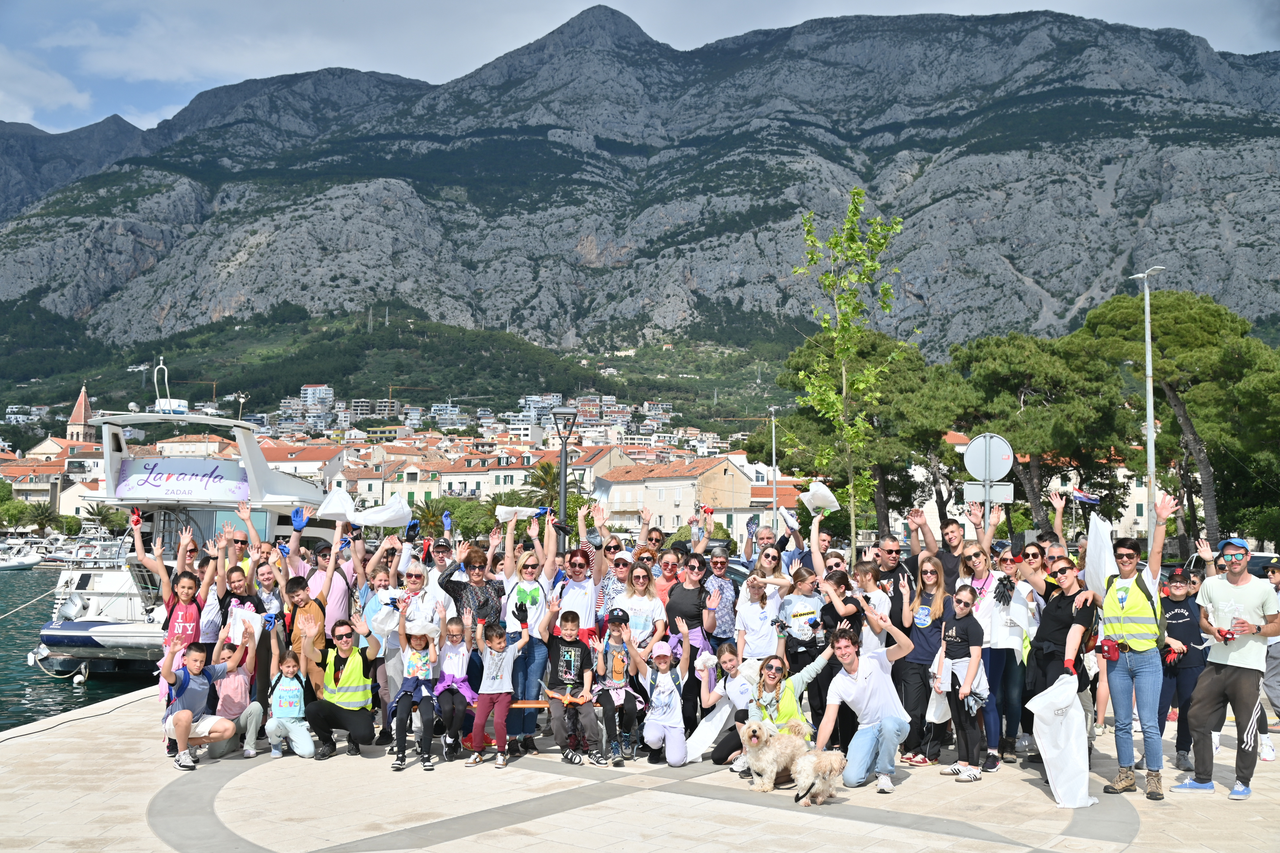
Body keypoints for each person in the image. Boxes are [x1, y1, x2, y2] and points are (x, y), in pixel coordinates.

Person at [1174, 538, 1280, 800]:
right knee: (1196, 716)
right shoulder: (1212, 584)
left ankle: (1242, 782)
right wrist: (1214, 631)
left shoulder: (1263, 588)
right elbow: (1203, 620)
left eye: (1238, 555)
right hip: (1216, 662)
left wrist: (1254, 628)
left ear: (1247, 557)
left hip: (1248, 666)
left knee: (1246, 725)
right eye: (1228, 556)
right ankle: (1202, 779)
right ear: (1223, 559)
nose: (1233, 560)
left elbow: (1276, 625)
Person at [1095, 500, 1174, 801]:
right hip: (1117, 660)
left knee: (1149, 723)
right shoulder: (1111, 583)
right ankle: (1126, 774)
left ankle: (1153, 777)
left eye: (1130, 555)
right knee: (1122, 723)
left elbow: (1157, 552)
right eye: (1120, 556)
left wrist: (1161, 520)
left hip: (1146, 658)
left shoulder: (1147, 580)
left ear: (1137, 558)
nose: (1125, 559)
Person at [814, 614, 916, 793]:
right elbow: (829, 720)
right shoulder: (837, 683)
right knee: (851, 779)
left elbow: (908, 647)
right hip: (867, 729)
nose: (843, 652)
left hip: (896, 724)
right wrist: (817, 750)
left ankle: (884, 773)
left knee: (888, 725)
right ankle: (878, 756)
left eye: (847, 646)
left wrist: (889, 627)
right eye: (839, 648)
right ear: (834, 652)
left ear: (856, 647)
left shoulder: (876, 658)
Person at [1020, 557, 1096, 781]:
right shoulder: (1054, 593)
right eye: (1054, 573)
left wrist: (1068, 663)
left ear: (1075, 570)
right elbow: (1031, 576)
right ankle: (1051, 760)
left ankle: (1068, 763)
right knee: (1046, 714)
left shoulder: (1084, 601)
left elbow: (1076, 631)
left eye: (1063, 571)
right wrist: (1017, 557)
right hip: (1041, 660)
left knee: (1063, 715)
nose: (1059, 576)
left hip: (1062, 660)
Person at [502, 515, 557, 758]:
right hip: (515, 640)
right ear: (520, 567)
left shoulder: (543, 583)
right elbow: (507, 557)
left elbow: (550, 557)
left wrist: (547, 530)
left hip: (538, 643)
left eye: (534, 566)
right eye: (526, 566)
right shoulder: (512, 582)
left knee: (533, 692)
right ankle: (513, 738)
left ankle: (528, 736)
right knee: (516, 690)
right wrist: (511, 528)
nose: (530, 570)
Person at [301, 614, 381, 760]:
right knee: (312, 709)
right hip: (334, 708)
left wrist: (367, 634)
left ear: (352, 636)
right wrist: (310, 637)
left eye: (348, 635)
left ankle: (353, 739)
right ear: (334, 640)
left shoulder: (361, 655)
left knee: (366, 737)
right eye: (339, 637)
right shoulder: (329, 655)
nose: (344, 639)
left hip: (357, 711)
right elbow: (309, 652)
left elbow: (376, 648)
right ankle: (328, 744)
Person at [160, 633, 244, 771]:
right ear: (185, 660)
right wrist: (172, 653)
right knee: (186, 714)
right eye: (195, 660)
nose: (198, 664)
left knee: (229, 728)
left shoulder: (207, 673)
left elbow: (232, 664)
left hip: (196, 721)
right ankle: (181, 755)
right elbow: (165, 674)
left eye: (202, 661)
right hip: (174, 724)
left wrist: (243, 643)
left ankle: (191, 743)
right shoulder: (181, 675)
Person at [899, 556, 954, 766]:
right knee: (912, 709)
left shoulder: (946, 600)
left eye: (932, 572)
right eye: (925, 572)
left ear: (939, 574)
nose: (928, 575)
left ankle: (930, 752)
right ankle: (914, 747)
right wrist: (906, 596)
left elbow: (945, 636)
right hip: (913, 659)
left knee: (934, 710)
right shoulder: (915, 595)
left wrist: (942, 666)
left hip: (933, 661)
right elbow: (906, 623)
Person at [540, 601, 608, 766]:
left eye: (572, 629)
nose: (568, 632)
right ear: (560, 628)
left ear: (578, 629)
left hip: (577, 688)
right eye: (565, 629)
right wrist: (551, 612)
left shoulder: (582, 647)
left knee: (589, 712)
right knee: (557, 716)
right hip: (557, 689)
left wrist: (586, 689)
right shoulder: (555, 642)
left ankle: (593, 750)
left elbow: (587, 670)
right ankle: (565, 749)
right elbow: (541, 629)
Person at [466, 603, 530, 768]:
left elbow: (525, 639)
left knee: (499, 722)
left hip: (503, 693)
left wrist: (524, 623)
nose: (503, 645)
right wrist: (480, 620)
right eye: (499, 642)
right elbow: (478, 638)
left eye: (504, 641)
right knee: (478, 723)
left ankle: (501, 752)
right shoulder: (486, 652)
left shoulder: (510, 651)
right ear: (489, 643)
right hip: (486, 693)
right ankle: (477, 752)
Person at [626, 618, 693, 766]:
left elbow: (686, 657)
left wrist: (685, 636)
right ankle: (656, 748)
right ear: (654, 659)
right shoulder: (651, 675)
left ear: (671, 656)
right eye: (658, 657)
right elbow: (638, 660)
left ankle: (670, 743)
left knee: (676, 762)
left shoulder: (677, 674)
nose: (662, 660)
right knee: (652, 738)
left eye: (665, 656)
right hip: (655, 721)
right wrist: (628, 643)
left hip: (674, 724)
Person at [936, 585, 986, 782]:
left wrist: (967, 684)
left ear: (972, 605)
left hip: (965, 674)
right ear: (954, 598)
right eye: (959, 601)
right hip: (950, 674)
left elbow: (976, 656)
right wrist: (939, 677)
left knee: (969, 721)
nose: (962, 606)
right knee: (957, 719)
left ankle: (974, 766)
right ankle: (962, 762)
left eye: (967, 604)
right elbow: (944, 651)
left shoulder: (973, 626)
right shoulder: (948, 621)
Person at [1158, 566, 1204, 774]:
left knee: (1187, 710)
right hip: (1164, 663)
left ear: (1189, 585)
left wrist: (1209, 561)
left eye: (1182, 581)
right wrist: (1169, 640)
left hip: (1192, 664)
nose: (1178, 584)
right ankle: (1152, 751)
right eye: (1174, 581)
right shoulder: (1159, 604)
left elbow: (1215, 583)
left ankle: (1183, 752)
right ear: (1168, 584)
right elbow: (1150, 629)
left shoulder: (1196, 603)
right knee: (1158, 709)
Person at [748, 632, 836, 739]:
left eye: (778, 669)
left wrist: (833, 644)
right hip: (773, 742)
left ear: (782, 674)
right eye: (769, 667)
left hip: (798, 742)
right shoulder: (756, 693)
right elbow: (754, 718)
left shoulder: (790, 685)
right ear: (762, 670)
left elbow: (815, 667)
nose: (773, 671)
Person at [389, 605, 438, 771]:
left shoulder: (430, 650)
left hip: (424, 688)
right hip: (408, 686)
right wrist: (402, 614)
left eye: (422, 638)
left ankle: (426, 755)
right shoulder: (407, 651)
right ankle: (400, 755)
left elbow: (433, 660)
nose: (418, 641)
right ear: (410, 640)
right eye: (414, 638)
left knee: (428, 718)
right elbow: (401, 633)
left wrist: (431, 641)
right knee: (401, 717)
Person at [206, 624, 264, 759]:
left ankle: (249, 746)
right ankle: (234, 742)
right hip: (225, 722)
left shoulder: (244, 671)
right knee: (213, 753)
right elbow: (214, 660)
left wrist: (250, 638)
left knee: (256, 707)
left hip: (242, 720)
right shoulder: (218, 676)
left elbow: (251, 654)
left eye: (230, 657)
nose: (227, 661)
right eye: (223, 659)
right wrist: (221, 640)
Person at [593, 608, 642, 765]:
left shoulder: (628, 647)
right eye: (613, 623)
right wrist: (600, 653)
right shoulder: (604, 646)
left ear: (626, 627)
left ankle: (625, 735)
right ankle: (614, 743)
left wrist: (633, 650)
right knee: (608, 708)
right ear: (608, 625)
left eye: (620, 624)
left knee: (632, 707)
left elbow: (632, 672)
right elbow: (601, 672)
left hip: (623, 687)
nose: (616, 627)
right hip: (605, 687)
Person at [701, 642, 755, 773]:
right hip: (744, 727)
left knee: (741, 714)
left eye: (731, 660)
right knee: (718, 757)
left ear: (737, 657)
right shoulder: (725, 682)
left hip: (759, 721)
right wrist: (705, 678)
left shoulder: (749, 671)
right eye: (724, 662)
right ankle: (748, 753)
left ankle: (747, 755)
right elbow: (706, 703)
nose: (729, 665)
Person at [264, 637, 313, 759]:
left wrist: (303, 635)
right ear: (280, 666)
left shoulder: (300, 677)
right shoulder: (276, 678)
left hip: (296, 722)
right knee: (271, 725)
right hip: (279, 722)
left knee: (309, 753)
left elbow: (304, 654)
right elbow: (275, 653)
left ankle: (291, 741)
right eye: (288, 666)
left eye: (294, 666)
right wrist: (273, 632)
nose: (291, 670)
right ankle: (276, 744)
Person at [435, 612, 475, 762]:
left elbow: (469, 638)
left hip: (460, 686)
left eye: (457, 635)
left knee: (461, 707)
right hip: (445, 685)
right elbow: (442, 634)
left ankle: (449, 739)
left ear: (462, 633)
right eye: (450, 635)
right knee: (446, 708)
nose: (453, 638)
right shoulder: (444, 646)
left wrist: (468, 626)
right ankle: (453, 737)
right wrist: (443, 618)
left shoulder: (465, 647)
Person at [612, 552, 666, 658]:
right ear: (631, 579)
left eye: (644, 577)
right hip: (624, 648)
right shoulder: (620, 599)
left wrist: (646, 652)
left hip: (645, 648)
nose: (641, 581)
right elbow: (616, 626)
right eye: (637, 577)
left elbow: (661, 630)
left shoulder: (655, 601)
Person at [705, 548, 739, 651]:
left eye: (722, 563)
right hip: (711, 635)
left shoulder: (733, 583)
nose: (719, 566)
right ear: (711, 562)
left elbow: (736, 609)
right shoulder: (705, 582)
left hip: (730, 635)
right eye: (715, 562)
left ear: (727, 563)